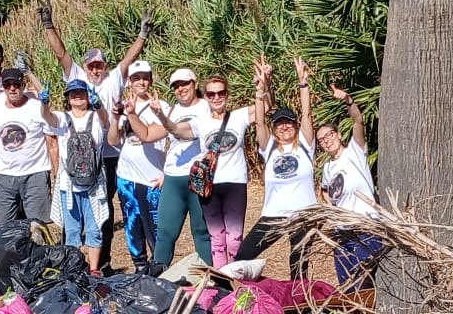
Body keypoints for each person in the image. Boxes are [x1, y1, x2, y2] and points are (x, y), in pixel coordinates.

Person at [37, 2, 150, 267]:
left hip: (110, 154)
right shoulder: (77, 78)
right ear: (85, 67)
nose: (95, 70)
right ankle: (72, 261)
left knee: (103, 208)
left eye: (99, 65)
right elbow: (61, 53)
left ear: (105, 66)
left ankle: (102, 262)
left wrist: (142, 35)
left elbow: (129, 59)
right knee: (72, 211)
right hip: (78, 155)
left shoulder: (113, 79)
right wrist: (48, 24)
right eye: (91, 66)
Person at [237, 56, 317, 264]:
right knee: (243, 255)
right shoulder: (269, 148)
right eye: (279, 124)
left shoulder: (305, 145)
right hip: (274, 213)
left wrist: (303, 83)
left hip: (303, 213)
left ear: (296, 126)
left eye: (288, 123)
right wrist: (260, 91)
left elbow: (307, 114)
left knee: (298, 264)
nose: (284, 127)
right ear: (274, 129)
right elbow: (259, 122)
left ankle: (298, 288)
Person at [132, 65, 214, 268]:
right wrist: (132, 115)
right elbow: (148, 135)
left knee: (201, 231)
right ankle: (158, 277)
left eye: (184, 83)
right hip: (173, 177)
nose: (180, 89)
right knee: (165, 232)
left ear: (195, 84)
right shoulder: (172, 110)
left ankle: (208, 278)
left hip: (198, 175)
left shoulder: (208, 107)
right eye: (176, 86)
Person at [315, 81, 383, 287]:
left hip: (366, 226)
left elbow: (358, 120)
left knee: (363, 280)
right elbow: (325, 191)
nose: (327, 141)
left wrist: (348, 100)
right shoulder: (328, 168)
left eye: (329, 135)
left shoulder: (355, 151)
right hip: (342, 232)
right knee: (347, 284)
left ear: (338, 134)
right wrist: (331, 210)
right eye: (322, 140)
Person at [54, 79, 119, 273]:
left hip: (94, 184)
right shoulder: (61, 118)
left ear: (88, 97)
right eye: (73, 93)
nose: (77, 96)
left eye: (81, 93)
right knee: (72, 231)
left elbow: (106, 120)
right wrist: (44, 103)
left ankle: (94, 270)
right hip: (68, 185)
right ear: (67, 98)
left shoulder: (96, 117)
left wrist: (99, 105)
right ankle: (73, 270)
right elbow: (47, 117)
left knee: (94, 229)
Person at [0, 65, 60, 227]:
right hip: (3, 175)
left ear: (24, 85)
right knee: (0, 228)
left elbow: (52, 144)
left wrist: (57, 174)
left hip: (35, 173)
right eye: (7, 85)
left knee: (37, 226)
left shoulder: (37, 107)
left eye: (16, 84)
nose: (12, 89)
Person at [112, 60, 165, 270]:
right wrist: (116, 117)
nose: (141, 82)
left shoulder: (161, 107)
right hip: (126, 176)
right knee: (132, 224)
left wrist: (166, 174)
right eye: (136, 78)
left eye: (145, 78)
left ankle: (160, 265)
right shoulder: (123, 107)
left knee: (155, 226)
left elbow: (168, 140)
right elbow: (113, 140)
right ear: (129, 82)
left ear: (151, 80)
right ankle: (140, 267)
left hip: (152, 177)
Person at [199, 72, 252, 269]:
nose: (216, 98)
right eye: (211, 94)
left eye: (221, 93)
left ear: (227, 94)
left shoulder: (239, 116)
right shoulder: (200, 122)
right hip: (209, 184)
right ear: (205, 97)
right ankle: (221, 278)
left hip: (235, 181)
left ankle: (235, 275)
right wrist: (161, 115)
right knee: (216, 238)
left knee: (235, 237)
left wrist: (263, 88)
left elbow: (265, 107)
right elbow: (176, 130)